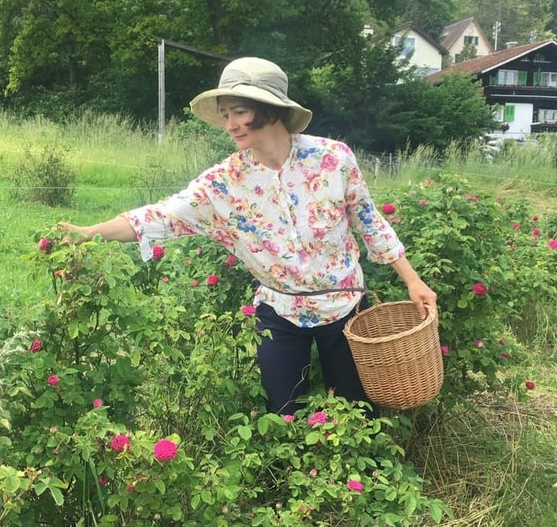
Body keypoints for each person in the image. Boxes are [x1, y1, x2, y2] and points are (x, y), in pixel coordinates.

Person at [56, 57, 436, 415]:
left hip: (344, 306)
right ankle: (291, 481)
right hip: (280, 311)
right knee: (283, 412)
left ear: (271, 109)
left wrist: (413, 280)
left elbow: (370, 223)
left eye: (240, 112)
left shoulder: (333, 159)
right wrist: (91, 234)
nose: (230, 124)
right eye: (226, 115)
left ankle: (357, 479)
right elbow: (162, 215)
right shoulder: (224, 182)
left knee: (357, 410)